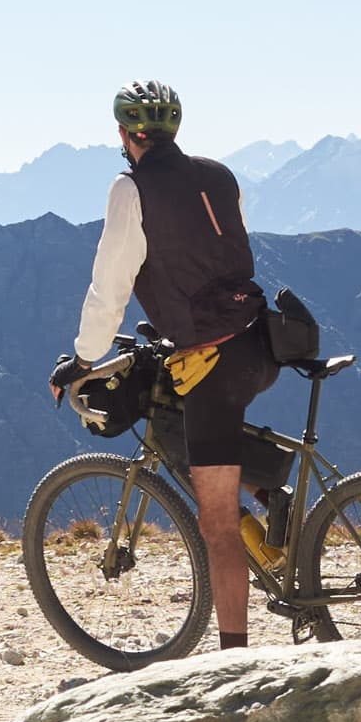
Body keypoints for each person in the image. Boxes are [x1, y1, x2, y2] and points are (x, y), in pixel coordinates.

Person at [48, 80, 281, 650]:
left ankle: (234, 661)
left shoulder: (131, 189)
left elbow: (111, 286)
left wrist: (83, 358)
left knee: (216, 523)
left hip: (211, 360)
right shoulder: (221, 176)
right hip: (260, 342)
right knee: (189, 426)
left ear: (124, 134)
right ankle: (271, 495)